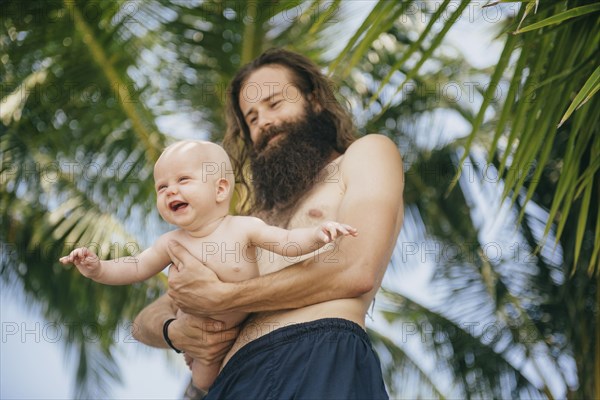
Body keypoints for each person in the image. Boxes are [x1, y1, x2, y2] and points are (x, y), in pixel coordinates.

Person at [133, 48, 404, 399]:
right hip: (232, 385)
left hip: (319, 354)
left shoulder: (366, 154)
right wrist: (173, 332)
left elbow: (355, 269)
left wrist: (223, 296)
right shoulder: (248, 223)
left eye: (275, 104)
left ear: (315, 100)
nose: (264, 121)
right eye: (252, 117)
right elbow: (146, 319)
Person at [59, 139, 358, 391]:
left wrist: (318, 235)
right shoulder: (171, 243)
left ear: (220, 189)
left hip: (246, 333)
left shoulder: (244, 228)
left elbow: (288, 242)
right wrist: (98, 268)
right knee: (204, 380)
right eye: (161, 187)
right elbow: (135, 266)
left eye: (183, 180)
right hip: (200, 336)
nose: (169, 191)